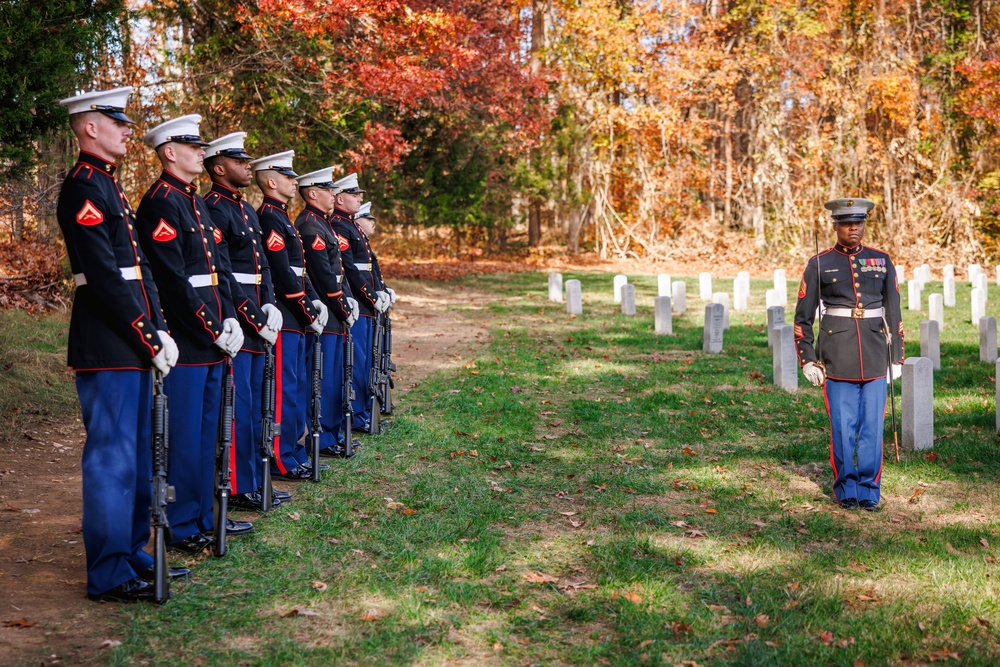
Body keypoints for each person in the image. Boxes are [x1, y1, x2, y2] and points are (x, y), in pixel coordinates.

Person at [56, 87, 184, 602]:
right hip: (108, 340)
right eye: (118, 122)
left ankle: (131, 552)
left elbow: (140, 269)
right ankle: (108, 571)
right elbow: (104, 278)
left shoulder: (110, 185)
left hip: (132, 338)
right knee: (112, 458)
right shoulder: (84, 187)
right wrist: (145, 334)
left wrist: (160, 328)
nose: (129, 130)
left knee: (136, 455)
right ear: (91, 127)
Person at [135, 115, 253, 553]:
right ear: (169, 152)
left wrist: (232, 318)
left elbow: (218, 269)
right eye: (193, 146)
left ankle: (204, 516)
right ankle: (183, 523)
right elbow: (172, 280)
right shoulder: (160, 202)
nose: (201, 153)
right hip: (188, 338)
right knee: (184, 438)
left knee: (208, 435)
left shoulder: (194, 201)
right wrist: (210, 327)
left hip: (214, 334)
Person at [794, 197, 903, 512]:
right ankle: (846, 488)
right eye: (847, 223)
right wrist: (807, 359)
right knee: (843, 428)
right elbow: (803, 318)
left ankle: (869, 490)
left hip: (875, 353)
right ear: (836, 226)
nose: (854, 228)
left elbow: (894, 311)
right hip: (837, 355)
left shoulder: (881, 260)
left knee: (872, 427)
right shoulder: (819, 263)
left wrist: (897, 356)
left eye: (859, 223)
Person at [203, 132, 288, 510]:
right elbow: (223, 273)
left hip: (257, 318)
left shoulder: (247, 209)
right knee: (237, 408)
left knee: (255, 405)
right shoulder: (214, 208)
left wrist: (269, 304)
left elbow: (263, 266)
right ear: (219, 168)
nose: (247, 166)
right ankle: (238, 485)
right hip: (238, 321)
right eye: (239, 162)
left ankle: (254, 478)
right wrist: (253, 318)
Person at [250, 151, 327, 480]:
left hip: (297, 315)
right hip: (285, 312)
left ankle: (294, 451)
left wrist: (313, 302)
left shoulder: (282, 217)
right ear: (271, 181)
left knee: (296, 387)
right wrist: (307, 309)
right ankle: (282, 458)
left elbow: (299, 270)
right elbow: (281, 274)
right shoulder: (269, 217)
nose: (294, 181)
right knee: (283, 390)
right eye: (287, 176)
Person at [296, 167, 359, 456]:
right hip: (324, 311)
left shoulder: (322, 223)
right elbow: (322, 275)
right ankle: (322, 437)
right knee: (322, 379)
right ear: (312, 194)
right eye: (327, 190)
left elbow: (338, 271)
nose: (334, 194)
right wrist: (341, 305)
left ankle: (332, 434)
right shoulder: (310, 225)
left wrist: (347, 301)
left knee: (333, 378)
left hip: (334, 312)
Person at [328, 173, 390, 432]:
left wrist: (380, 291)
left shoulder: (350, 226)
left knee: (365, 362)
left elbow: (367, 267)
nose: (359, 199)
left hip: (364, 303)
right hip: (357, 300)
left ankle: (363, 412)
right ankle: (357, 415)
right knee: (357, 362)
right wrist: (371, 296)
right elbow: (350, 269)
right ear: (340, 199)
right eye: (353, 195)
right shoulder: (340, 225)